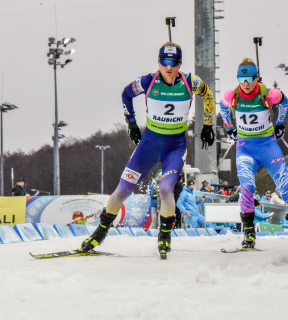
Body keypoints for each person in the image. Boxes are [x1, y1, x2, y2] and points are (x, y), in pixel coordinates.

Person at [81, 42, 215, 258]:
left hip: (175, 146)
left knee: (165, 189)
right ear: (159, 63)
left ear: (179, 64)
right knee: (123, 190)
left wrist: (208, 124)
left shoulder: (191, 82)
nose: (168, 67)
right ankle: (101, 231)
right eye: (164, 62)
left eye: (173, 63)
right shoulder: (148, 81)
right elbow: (126, 94)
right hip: (149, 145)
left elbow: (208, 95)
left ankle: (164, 236)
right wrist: (131, 123)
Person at [220, 58, 288, 249]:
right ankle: (249, 234)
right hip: (245, 148)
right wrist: (229, 128)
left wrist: (280, 123)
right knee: (247, 188)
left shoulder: (269, 94)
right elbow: (223, 106)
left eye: (250, 78)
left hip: (268, 147)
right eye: (242, 80)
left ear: (257, 78)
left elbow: (284, 100)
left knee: (287, 191)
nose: (246, 84)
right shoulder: (231, 95)